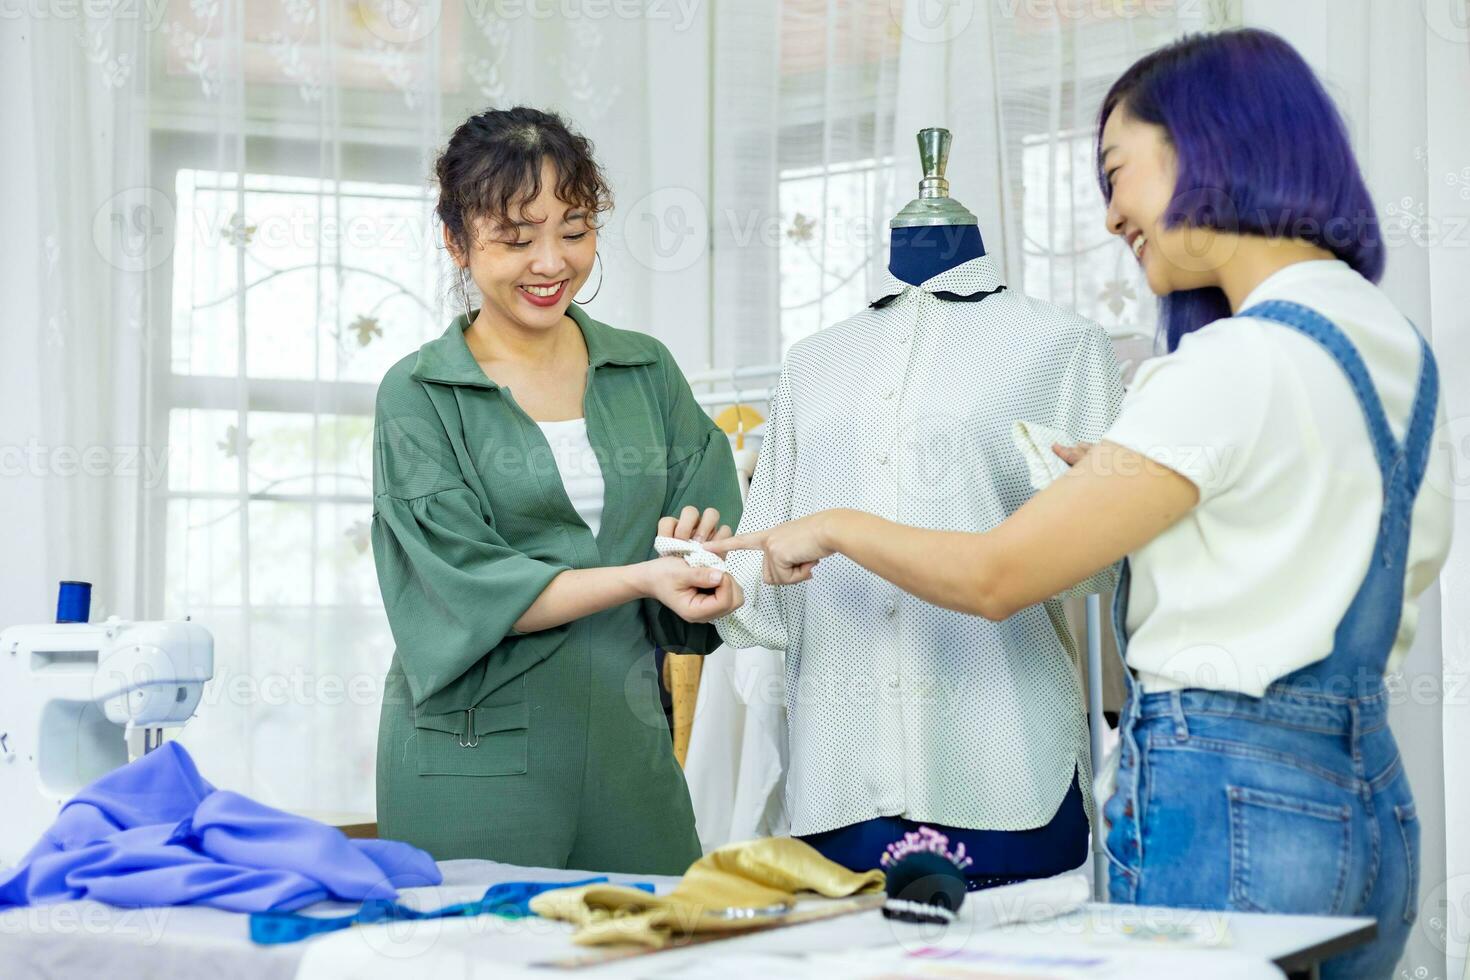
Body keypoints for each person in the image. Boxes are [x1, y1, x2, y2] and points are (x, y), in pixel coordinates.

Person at [707, 30, 1452, 977]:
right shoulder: (1391, 347)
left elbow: (995, 578)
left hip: (1225, 801)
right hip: (1364, 794)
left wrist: (838, 522)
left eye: (1117, 172)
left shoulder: (1228, 362)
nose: (1109, 217)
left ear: (1207, 144)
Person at [372, 107, 743, 874]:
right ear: (457, 242)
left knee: (658, 955)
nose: (551, 262)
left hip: (629, 745)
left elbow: (714, 527)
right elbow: (468, 587)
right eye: (516, 238)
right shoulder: (420, 394)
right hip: (471, 760)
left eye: (574, 232)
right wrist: (646, 573)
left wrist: (715, 570)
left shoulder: (645, 371)